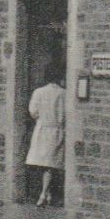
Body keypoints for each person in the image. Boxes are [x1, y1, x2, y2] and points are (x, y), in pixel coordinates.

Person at [26, 61, 67, 207]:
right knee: (50, 164)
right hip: (57, 130)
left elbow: (33, 112)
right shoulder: (64, 93)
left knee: (45, 164)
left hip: (42, 129)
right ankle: (46, 193)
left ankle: (44, 193)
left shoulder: (39, 92)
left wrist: (42, 117)